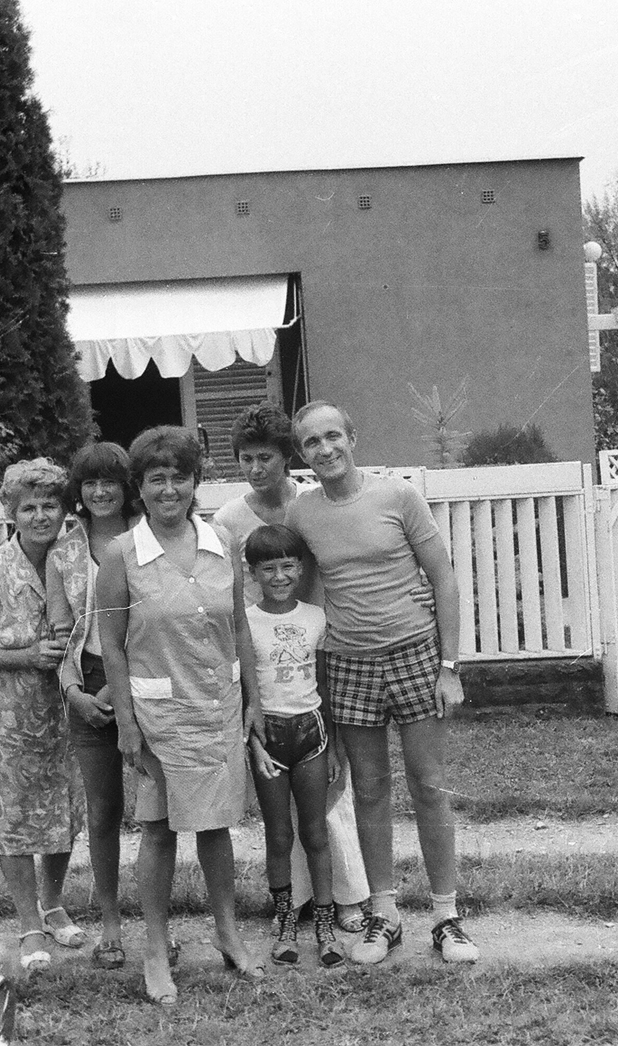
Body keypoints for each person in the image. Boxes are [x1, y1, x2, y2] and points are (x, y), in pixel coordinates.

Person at [285, 401, 480, 965]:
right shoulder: (302, 514)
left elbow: (442, 576)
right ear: (302, 455)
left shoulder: (398, 497)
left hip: (416, 655)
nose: (324, 450)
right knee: (368, 789)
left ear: (352, 438)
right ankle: (385, 915)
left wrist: (450, 666)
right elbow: (300, 587)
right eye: (311, 443)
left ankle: (446, 916)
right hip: (348, 663)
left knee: (428, 784)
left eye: (332, 437)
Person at [96, 425, 265, 1006]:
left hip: (217, 705)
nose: (169, 489)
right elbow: (112, 645)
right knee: (161, 830)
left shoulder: (223, 543)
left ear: (195, 482)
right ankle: (154, 948)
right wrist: (124, 721)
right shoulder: (121, 556)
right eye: (156, 479)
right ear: (138, 487)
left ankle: (228, 933)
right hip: (157, 717)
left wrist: (254, 700)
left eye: (180, 477)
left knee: (217, 827)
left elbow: (239, 624)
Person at [212, 403, 370, 934]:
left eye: (267, 458)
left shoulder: (309, 505)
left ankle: (346, 896)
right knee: (279, 808)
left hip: (315, 645)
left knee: (328, 790)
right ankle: (296, 900)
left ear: (288, 458)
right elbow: (230, 598)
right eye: (246, 459)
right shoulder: (230, 519)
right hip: (263, 658)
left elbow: (329, 570)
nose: (257, 469)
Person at [0, 457, 83, 976]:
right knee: (14, 821)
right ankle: (28, 923)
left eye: (50, 505)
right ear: (11, 513)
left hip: (61, 711)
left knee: (61, 814)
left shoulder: (76, 561)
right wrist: (27, 657)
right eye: (29, 507)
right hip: (1, 719)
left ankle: (53, 905)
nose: (41, 516)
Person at [45, 441, 138, 970]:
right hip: (87, 683)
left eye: (110, 481)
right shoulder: (65, 553)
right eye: (89, 483)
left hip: (143, 678)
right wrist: (74, 691)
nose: (100, 492)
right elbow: (60, 632)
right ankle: (110, 925)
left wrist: (115, 689)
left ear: (128, 487)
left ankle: (155, 924)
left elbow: (152, 624)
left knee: (157, 815)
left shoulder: (146, 542)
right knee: (103, 812)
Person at [241, 523, 345, 968]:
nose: (280, 576)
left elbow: (326, 684)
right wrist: (254, 745)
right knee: (279, 834)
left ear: (301, 568)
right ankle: (285, 921)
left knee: (316, 832)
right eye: (269, 568)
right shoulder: (244, 621)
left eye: (288, 566)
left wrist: (335, 747)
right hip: (269, 737)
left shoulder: (315, 617)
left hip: (312, 734)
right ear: (253, 573)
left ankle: (324, 924)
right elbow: (243, 691)